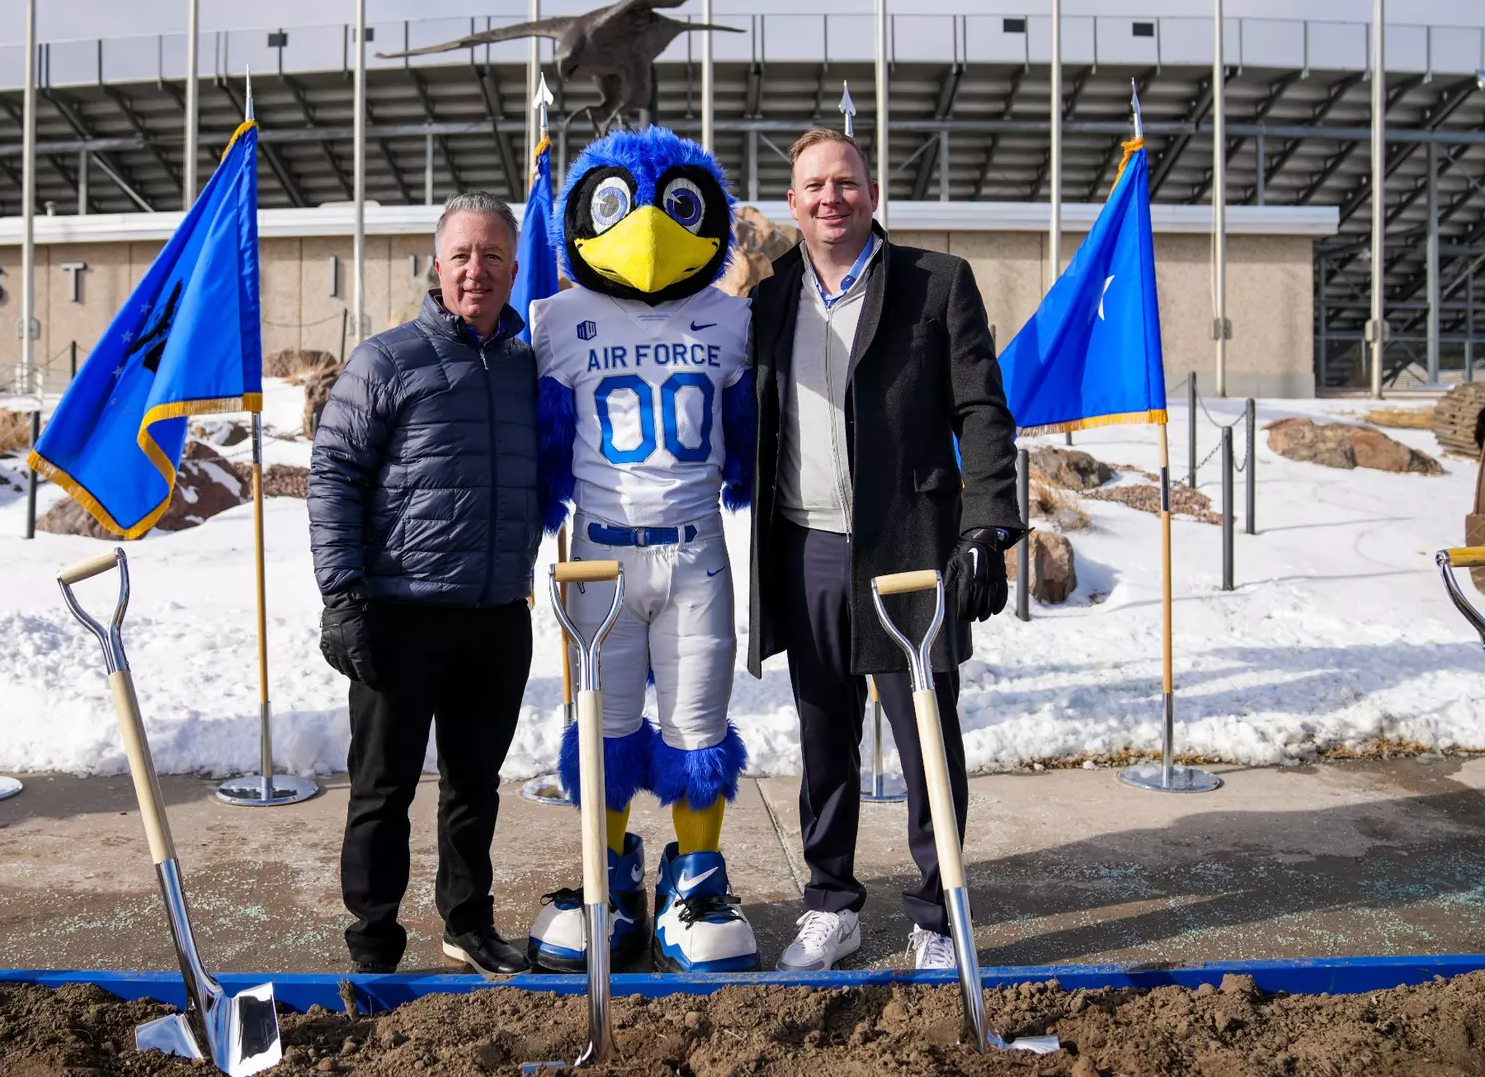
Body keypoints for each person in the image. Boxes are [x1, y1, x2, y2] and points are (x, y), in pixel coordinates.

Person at [745, 128, 1024, 972]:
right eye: (814, 187)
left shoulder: (937, 283)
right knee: (823, 738)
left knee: (925, 738)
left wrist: (987, 526)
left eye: (847, 182)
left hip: (909, 549)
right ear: (793, 205)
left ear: (872, 193)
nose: (832, 198)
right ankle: (831, 905)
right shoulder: (768, 299)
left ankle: (939, 916)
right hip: (805, 548)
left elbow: (981, 410)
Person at [527, 126, 760, 974]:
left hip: (697, 547)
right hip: (599, 556)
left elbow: (751, 441)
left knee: (698, 729)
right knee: (606, 728)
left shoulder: (733, 319)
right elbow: (546, 447)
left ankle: (696, 878)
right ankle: (609, 877)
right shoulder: (558, 317)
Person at [308, 190, 539, 976]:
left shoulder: (526, 366)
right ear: (436, 267)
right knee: (383, 789)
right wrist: (342, 595)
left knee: (476, 785)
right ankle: (372, 939)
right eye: (462, 256)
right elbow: (334, 472)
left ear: (514, 267)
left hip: (498, 614)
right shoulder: (387, 359)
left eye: (493, 256)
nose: (477, 271)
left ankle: (468, 921)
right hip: (400, 614)